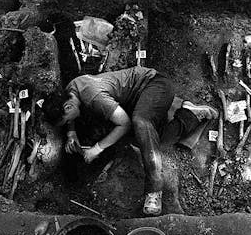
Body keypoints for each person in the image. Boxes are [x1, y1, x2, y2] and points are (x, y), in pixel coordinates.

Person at [43, 66, 217, 216]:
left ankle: (154, 189)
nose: (69, 122)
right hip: (135, 100)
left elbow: (124, 123)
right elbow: (71, 113)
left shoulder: (94, 97)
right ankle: (189, 113)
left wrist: (97, 148)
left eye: (67, 121)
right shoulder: (70, 90)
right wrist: (71, 133)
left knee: (141, 124)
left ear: (68, 107)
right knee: (152, 140)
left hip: (155, 85)